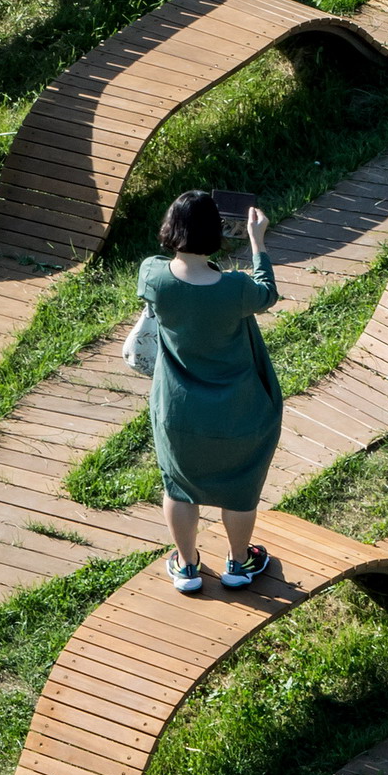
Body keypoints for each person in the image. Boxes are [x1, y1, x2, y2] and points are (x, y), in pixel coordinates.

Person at [130, 189, 283, 595]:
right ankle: (238, 563)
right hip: (240, 411)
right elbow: (266, 292)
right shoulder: (235, 289)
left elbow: (170, 278)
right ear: (217, 231)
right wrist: (256, 241)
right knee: (240, 487)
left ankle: (187, 566)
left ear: (170, 228)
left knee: (178, 486)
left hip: (178, 412)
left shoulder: (153, 275)